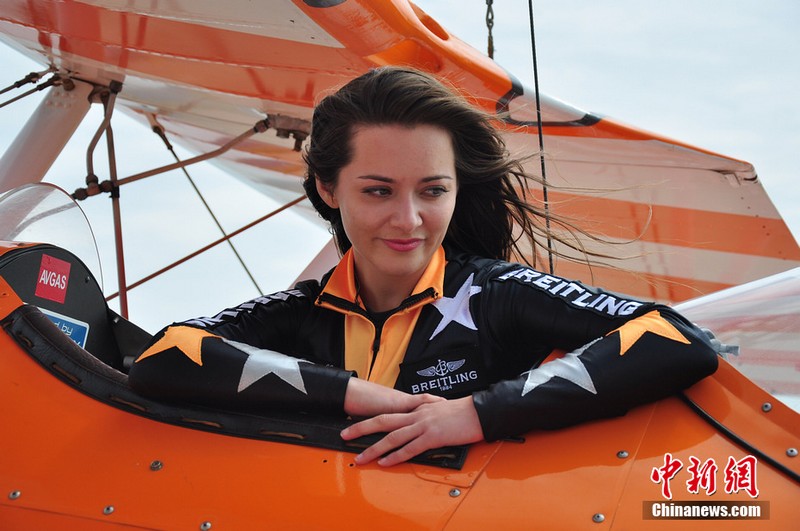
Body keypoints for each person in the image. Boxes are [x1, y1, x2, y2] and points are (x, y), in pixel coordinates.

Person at [128, 66, 719, 467]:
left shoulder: (498, 293)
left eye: (433, 191)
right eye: (378, 191)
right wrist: (364, 396)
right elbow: (165, 355)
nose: (408, 220)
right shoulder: (299, 313)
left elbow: (678, 339)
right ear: (329, 189)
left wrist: (477, 414)